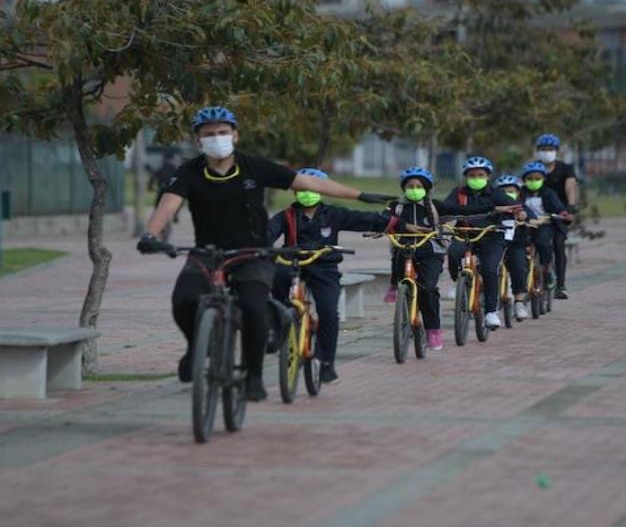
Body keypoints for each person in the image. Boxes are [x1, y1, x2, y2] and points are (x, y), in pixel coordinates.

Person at [136, 106, 391, 402]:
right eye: (209, 135)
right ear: (198, 141)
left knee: (253, 309)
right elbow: (168, 205)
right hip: (207, 253)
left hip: (252, 254)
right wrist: (150, 235)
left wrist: (359, 195)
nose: (216, 139)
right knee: (183, 299)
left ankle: (254, 375)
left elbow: (309, 182)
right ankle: (195, 347)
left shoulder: (254, 166)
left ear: (235, 135)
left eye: (222, 133)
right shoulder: (188, 172)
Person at [267, 168, 391, 383]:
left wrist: (396, 223)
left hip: (324, 267)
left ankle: (326, 363)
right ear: (295, 192)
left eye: (312, 188)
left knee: (328, 312)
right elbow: (266, 234)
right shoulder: (286, 215)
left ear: (322, 190)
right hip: (292, 263)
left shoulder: (333, 214)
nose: (307, 192)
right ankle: (279, 327)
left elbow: (364, 219)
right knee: (275, 279)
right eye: (301, 189)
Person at [386, 167, 498, 350]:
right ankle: (397, 291)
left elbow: (465, 210)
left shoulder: (435, 206)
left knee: (428, 289)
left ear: (426, 188)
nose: (414, 189)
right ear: (404, 188)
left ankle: (433, 330)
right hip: (404, 249)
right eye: (410, 186)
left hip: (431, 254)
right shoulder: (395, 207)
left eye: (418, 186)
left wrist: (493, 209)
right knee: (399, 267)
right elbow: (380, 219)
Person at [445, 156, 521, 330]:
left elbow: (515, 207)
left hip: (491, 237)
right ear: (466, 176)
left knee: (489, 269)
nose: (476, 178)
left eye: (480, 174)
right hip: (464, 234)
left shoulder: (495, 194)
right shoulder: (459, 193)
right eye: (472, 175)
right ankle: (458, 282)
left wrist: (520, 214)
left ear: (487, 176)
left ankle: (491, 312)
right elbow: (445, 208)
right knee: (453, 252)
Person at [534, 134, 577, 300]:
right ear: (538, 151)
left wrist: (570, 207)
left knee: (558, 243)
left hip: (560, 213)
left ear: (556, 151)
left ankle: (561, 285)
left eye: (550, 149)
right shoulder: (533, 168)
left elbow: (570, 187)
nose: (547, 152)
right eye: (543, 149)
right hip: (537, 214)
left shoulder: (566, 168)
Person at [520, 161, 571, 298]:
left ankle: (547, 268)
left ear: (543, 179)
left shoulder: (549, 193)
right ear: (524, 180)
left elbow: (558, 207)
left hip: (545, 225)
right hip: (525, 226)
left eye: (537, 178)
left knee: (543, 243)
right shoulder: (521, 193)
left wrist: (563, 213)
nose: (533, 181)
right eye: (530, 179)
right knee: (518, 247)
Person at [493, 174, 532, 321]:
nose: (507, 194)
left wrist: (525, 217)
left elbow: (530, 216)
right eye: (502, 191)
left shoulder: (520, 206)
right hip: (495, 242)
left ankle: (519, 302)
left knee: (518, 266)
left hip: (516, 243)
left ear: (518, 192)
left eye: (511, 190)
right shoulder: (494, 208)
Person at [148, 151, 182, 242]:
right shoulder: (176, 169)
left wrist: (150, 187)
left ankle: (159, 221)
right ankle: (175, 214)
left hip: (162, 191)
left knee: (157, 207)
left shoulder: (161, 168)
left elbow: (152, 179)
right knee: (178, 203)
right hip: (173, 192)